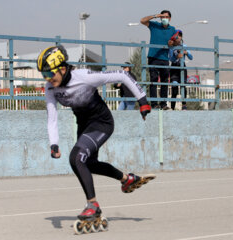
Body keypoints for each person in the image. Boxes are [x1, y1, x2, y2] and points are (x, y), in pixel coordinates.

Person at [36, 45, 151, 221]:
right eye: (44, 75)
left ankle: (93, 205)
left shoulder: (83, 76)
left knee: (76, 158)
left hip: (101, 123)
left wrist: (142, 100)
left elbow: (122, 75)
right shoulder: (51, 88)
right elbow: (52, 118)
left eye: (50, 74)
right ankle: (126, 179)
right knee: (87, 163)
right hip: (84, 126)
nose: (48, 79)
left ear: (63, 68)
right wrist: (54, 144)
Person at [140, 10, 176, 110]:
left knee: (164, 81)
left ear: (170, 18)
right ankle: (154, 103)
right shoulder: (154, 25)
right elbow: (142, 21)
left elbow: (176, 42)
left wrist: (172, 43)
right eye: (163, 17)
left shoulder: (172, 29)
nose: (165, 19)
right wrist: (155, 15)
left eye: (166, 17)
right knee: (153, 80)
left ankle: (163, 103)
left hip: (165, 58)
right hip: (153, 57)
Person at [168, 30, 193, 110]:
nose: (177, 38)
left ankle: (184, 105)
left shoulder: (184, 45)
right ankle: (172, 107)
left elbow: (191, 57)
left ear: (181, 37)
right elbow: (170, 58)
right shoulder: (172, 47)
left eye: (179, 36)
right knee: (174, 87)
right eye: (176, 36)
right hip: (174, 68)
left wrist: (186, 53)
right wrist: (176, 57)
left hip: (182, 67)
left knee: (183, 86)